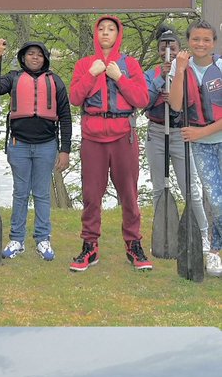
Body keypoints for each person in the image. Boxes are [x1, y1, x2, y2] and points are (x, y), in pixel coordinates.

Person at [69, 16, 151, 271]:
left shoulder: (130, 64)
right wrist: (92, 74)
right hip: (93, 138)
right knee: (92, 195)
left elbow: (142, 99)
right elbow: (74, 97)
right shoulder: (84, 64)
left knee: (129, 194)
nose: (105, 33)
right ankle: (90, 246)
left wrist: (119, 77)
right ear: (96, 34)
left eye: (111, 29)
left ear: (118, 34)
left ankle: (133, 244)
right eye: (101, 29)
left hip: (123, 137)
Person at [0, 39, 72, 261]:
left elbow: (65, 118)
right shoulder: (13, 78)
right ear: (23, 57)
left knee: (42, 194)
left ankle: (43, 239)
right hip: (19, 145)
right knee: (20, 193)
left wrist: (65, 150)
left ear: (45, 58)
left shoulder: (56, 82)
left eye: (39, 54)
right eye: (30, 54)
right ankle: (17, 239)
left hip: (46, 145)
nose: (35, 57)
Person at [143, 29, 209, 251]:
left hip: (180, 133)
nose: (168, 51)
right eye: (163, 47)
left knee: (190, 187)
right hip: (157, 133)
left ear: (180, 49)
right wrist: (161, 80)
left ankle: (203, 236)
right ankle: (165, 236)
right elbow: (143, 101)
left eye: (172, 46)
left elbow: (193, 102)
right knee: (159, 188)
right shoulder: (151, 74)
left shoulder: (189, 72)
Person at [168, 18, 222, 276]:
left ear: (214, 43)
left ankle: (215, 248)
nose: (201, 44)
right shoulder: (180, 67)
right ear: (188, 41)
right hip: (202, 146)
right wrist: (179, 70)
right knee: (216, 200)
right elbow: (176, 106)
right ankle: (215, 252)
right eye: (196, 39)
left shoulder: (221, 67)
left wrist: (202, 131)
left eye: (206, 39)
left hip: (214, 135)